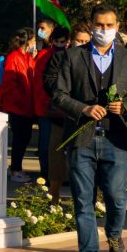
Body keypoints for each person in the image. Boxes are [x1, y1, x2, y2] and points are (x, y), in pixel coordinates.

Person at [53, 4, 127, 252]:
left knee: (117, 198)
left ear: (117, 27)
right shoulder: (72, 56)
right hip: (82, 138)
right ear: (91, 25)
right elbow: (58, 94)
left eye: (109, 25)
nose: (104, 30)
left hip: (115, 138)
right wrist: (82, 109)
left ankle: (114, 234)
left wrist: (126, 106)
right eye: (99, 25)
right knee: (83, 201)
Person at [0, 28, 37, 183]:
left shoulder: (27, 57)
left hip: (26, 105)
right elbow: (9, 84)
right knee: (20, 138)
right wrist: (20, 101)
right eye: (34, 41)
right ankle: (16, 169)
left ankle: (16, 168)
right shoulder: (14, 57)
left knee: (24, 137)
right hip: (17, 106)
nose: (35, 44)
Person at [34, 27, 70, 181]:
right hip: (46, 105)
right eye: (58, 41)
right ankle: (46, 174)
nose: (60, 44)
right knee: (46, 142)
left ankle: (60, 173)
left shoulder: (69, 55)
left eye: (63, 42)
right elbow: (40, 82)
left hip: (63, 106)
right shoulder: (44, 56)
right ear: (52, 41)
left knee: (62, 143)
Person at [41, 27, 72, 204]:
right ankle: (54, 192)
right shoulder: (53, 57)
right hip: (59, 113)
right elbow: (47, 82)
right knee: (55, 151)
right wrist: (64, 94)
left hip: (82, 115)